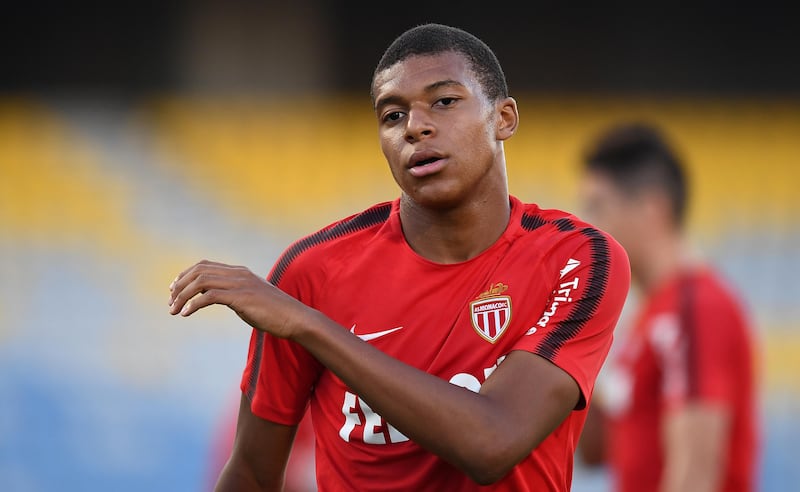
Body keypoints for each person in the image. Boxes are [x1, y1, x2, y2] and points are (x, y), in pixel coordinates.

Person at [169, 24, 630, 491]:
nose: (415, 127)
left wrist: (310, 325)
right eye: (392, 115)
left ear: (504, 118)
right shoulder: (312, 270)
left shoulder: (579, 256)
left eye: (444, 102)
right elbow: (250, 472)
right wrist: (304, 314)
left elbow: (493, 443)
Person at [576, 123, 758, 492]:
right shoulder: (652, 313)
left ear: (652, 208)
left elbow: (695, 478)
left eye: (599, 206)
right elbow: (600, 451)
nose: (589, 227)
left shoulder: (696, 310)